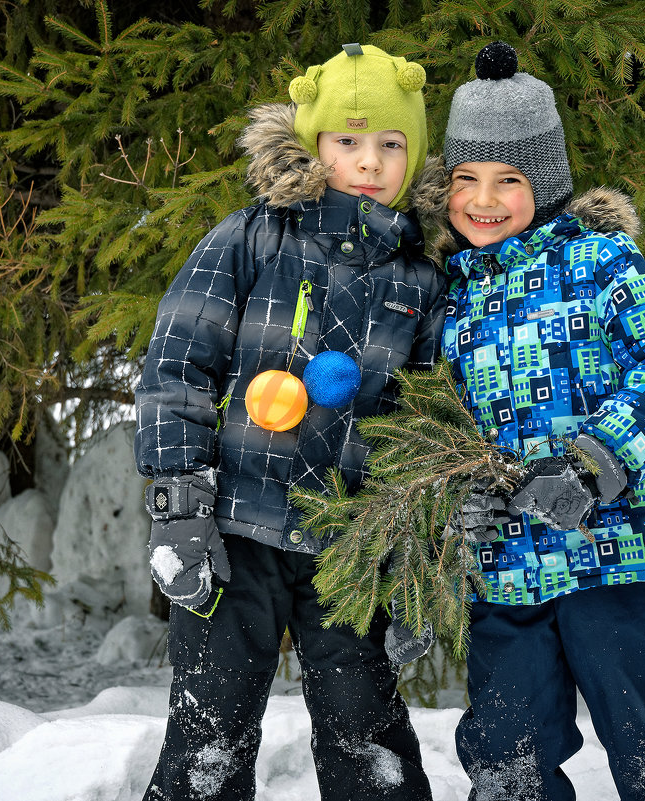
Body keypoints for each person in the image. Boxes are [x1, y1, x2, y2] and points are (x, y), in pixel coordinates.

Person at [134, 43, 446, 801]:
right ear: (313, 145)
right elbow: (178, 364)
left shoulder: (421, 276)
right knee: (210, 721)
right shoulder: (251, 238)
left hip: (352, 542)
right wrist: (179, 504)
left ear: (416, 155)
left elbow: (430, 430)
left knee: (366, 726)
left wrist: (417, 565)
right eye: (348, 141)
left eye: (391, 144)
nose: (369, 161)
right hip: (239, 525)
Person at [428, 41, 645, 801]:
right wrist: (456, 500)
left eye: (508, 179)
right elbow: (435, 434)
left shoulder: (600, 264)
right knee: (503, 754)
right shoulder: (449, 300)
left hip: (616, 556)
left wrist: (594, 463)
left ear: (546, 183)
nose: (482, 199)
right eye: (466, 179)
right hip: (509, 566)